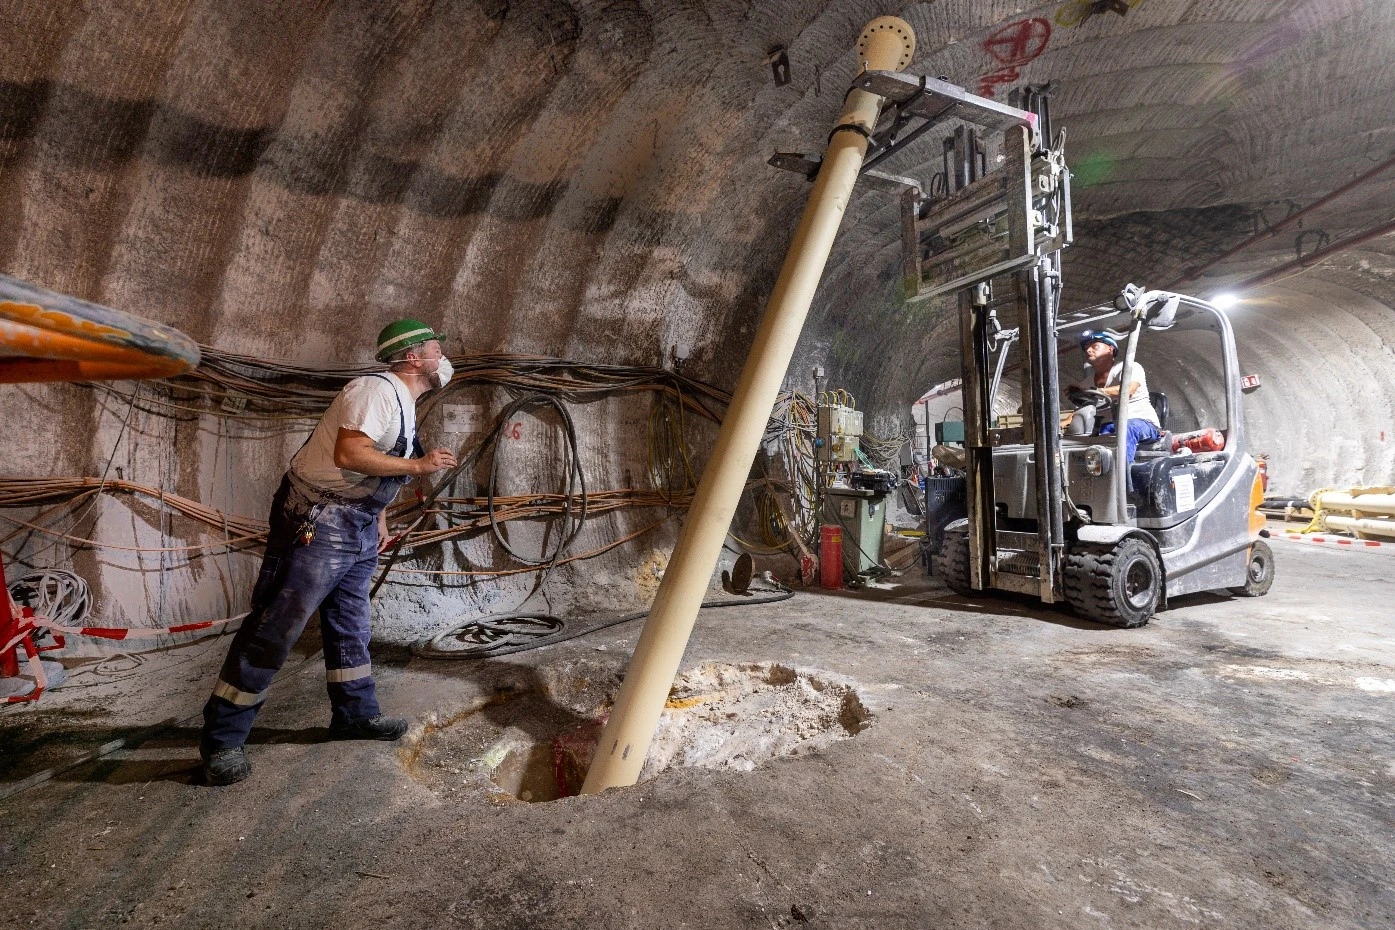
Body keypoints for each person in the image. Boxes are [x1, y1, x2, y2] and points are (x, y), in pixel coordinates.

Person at [199, 320, 459, 786]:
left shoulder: (404, 400)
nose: (444, 357)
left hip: (354, 521)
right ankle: (222, 739)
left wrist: (376, 515)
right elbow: (350, 454)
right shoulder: (374, 390)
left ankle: (355, 714)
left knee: (351, 619)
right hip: (317, 519)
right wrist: (420, 466)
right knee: (277, 625)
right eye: (437, 349)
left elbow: (376, 464)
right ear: (414, 358)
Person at [1072, 329, 1161, 465]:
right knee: (1078, 436)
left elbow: (1127, 390)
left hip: (1141, 423)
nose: (1089, 350)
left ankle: (1122, 482)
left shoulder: (1129, 368)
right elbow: (1079, 412)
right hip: (1107, 426)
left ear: (1110, 349)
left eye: (1094, 346)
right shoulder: (1085, 383)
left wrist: (1096, 391)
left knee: (1125, 428)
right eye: (1086, 348)